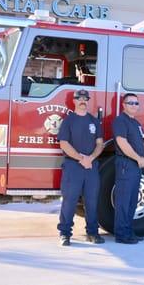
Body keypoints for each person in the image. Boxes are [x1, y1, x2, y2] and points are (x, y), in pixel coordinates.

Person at [57, 89, 105, 246]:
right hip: (73, 166)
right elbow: (63, 143)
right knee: (69, 201)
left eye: (85, 98)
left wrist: (90, 158)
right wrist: (80, 158)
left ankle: (92, 232)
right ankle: (65, 234)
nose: (83, 101)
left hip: (91, 165)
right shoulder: (68, 121)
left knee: (92, 201)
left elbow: (100, 144)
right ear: (74, 101)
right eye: (79, 98)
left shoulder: (94, 121)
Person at [113, 93, 144, 244]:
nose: (134, 105)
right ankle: (121, 234)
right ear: (124, 105)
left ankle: (129, 231)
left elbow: (142, 142)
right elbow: (122, 142)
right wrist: (137, 158)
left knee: (133, 201)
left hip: (135, 165)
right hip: (126, 164)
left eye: (136, 103)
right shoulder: (120, 121)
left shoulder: (136, 123)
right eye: (131, 103)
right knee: (123, 201)